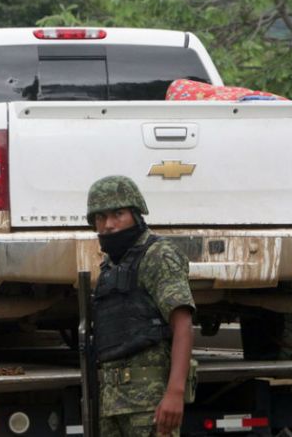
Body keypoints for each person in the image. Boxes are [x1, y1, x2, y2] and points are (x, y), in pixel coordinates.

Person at [87, 175, 196, 437]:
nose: (109, 224)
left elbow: (183, 324)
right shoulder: (111, 267)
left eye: (118, 214)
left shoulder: (157, 254)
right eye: (100, 217)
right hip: (112, 404)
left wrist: (174, 393)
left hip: (150, 404)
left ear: (136, 214)